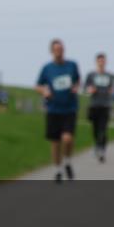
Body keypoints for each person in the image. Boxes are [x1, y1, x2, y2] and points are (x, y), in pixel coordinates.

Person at [35, 39, 81, 183]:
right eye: (56, 49)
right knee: (55, 143)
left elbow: (78, 80)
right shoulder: (47, 68)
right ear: (51, 51)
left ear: (64, 50)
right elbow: (37, 85)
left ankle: (67, 161)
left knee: (67, 138)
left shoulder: (72, 65)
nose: (59, 52)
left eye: (61, 49)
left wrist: (76, 87)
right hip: (53, 109)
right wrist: (44, 91)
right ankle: (58, 169)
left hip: (69, 108)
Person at [84, 52, 114, 163]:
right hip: (94, 104)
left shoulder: (109, 76)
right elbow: (86, 88)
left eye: (103, 61)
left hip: (105, 105)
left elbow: (112, 88)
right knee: (95, 129)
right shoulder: (91, 75)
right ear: (96, 62)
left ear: (105, 62)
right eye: (99, 61)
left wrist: (111, 91)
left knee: (103, 129)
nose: (101, 63)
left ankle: (102, 150)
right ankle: (97, 145)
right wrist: (90, 90)